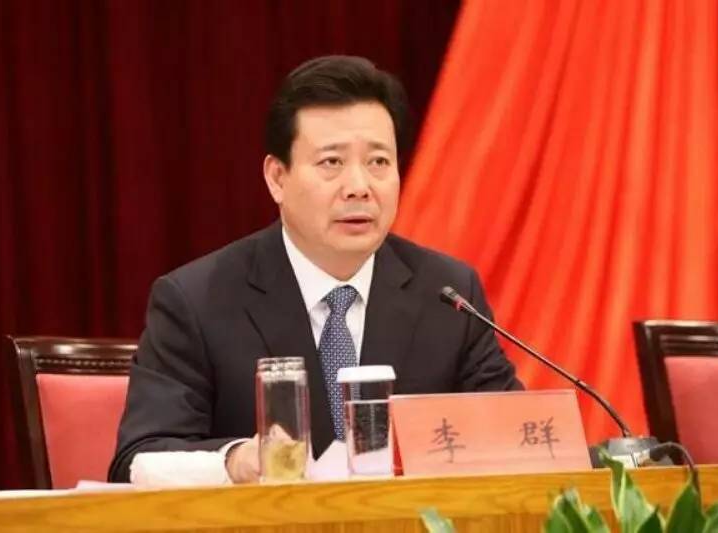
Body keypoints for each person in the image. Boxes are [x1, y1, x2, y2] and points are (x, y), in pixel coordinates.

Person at [109, 55, 523, 484]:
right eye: (331, 163)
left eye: (379, 162)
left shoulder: (448, 294)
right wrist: (235, 461)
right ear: (277, 177)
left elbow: (515, 441)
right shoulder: (197, 301)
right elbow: (138, 458)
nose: (359, 187)